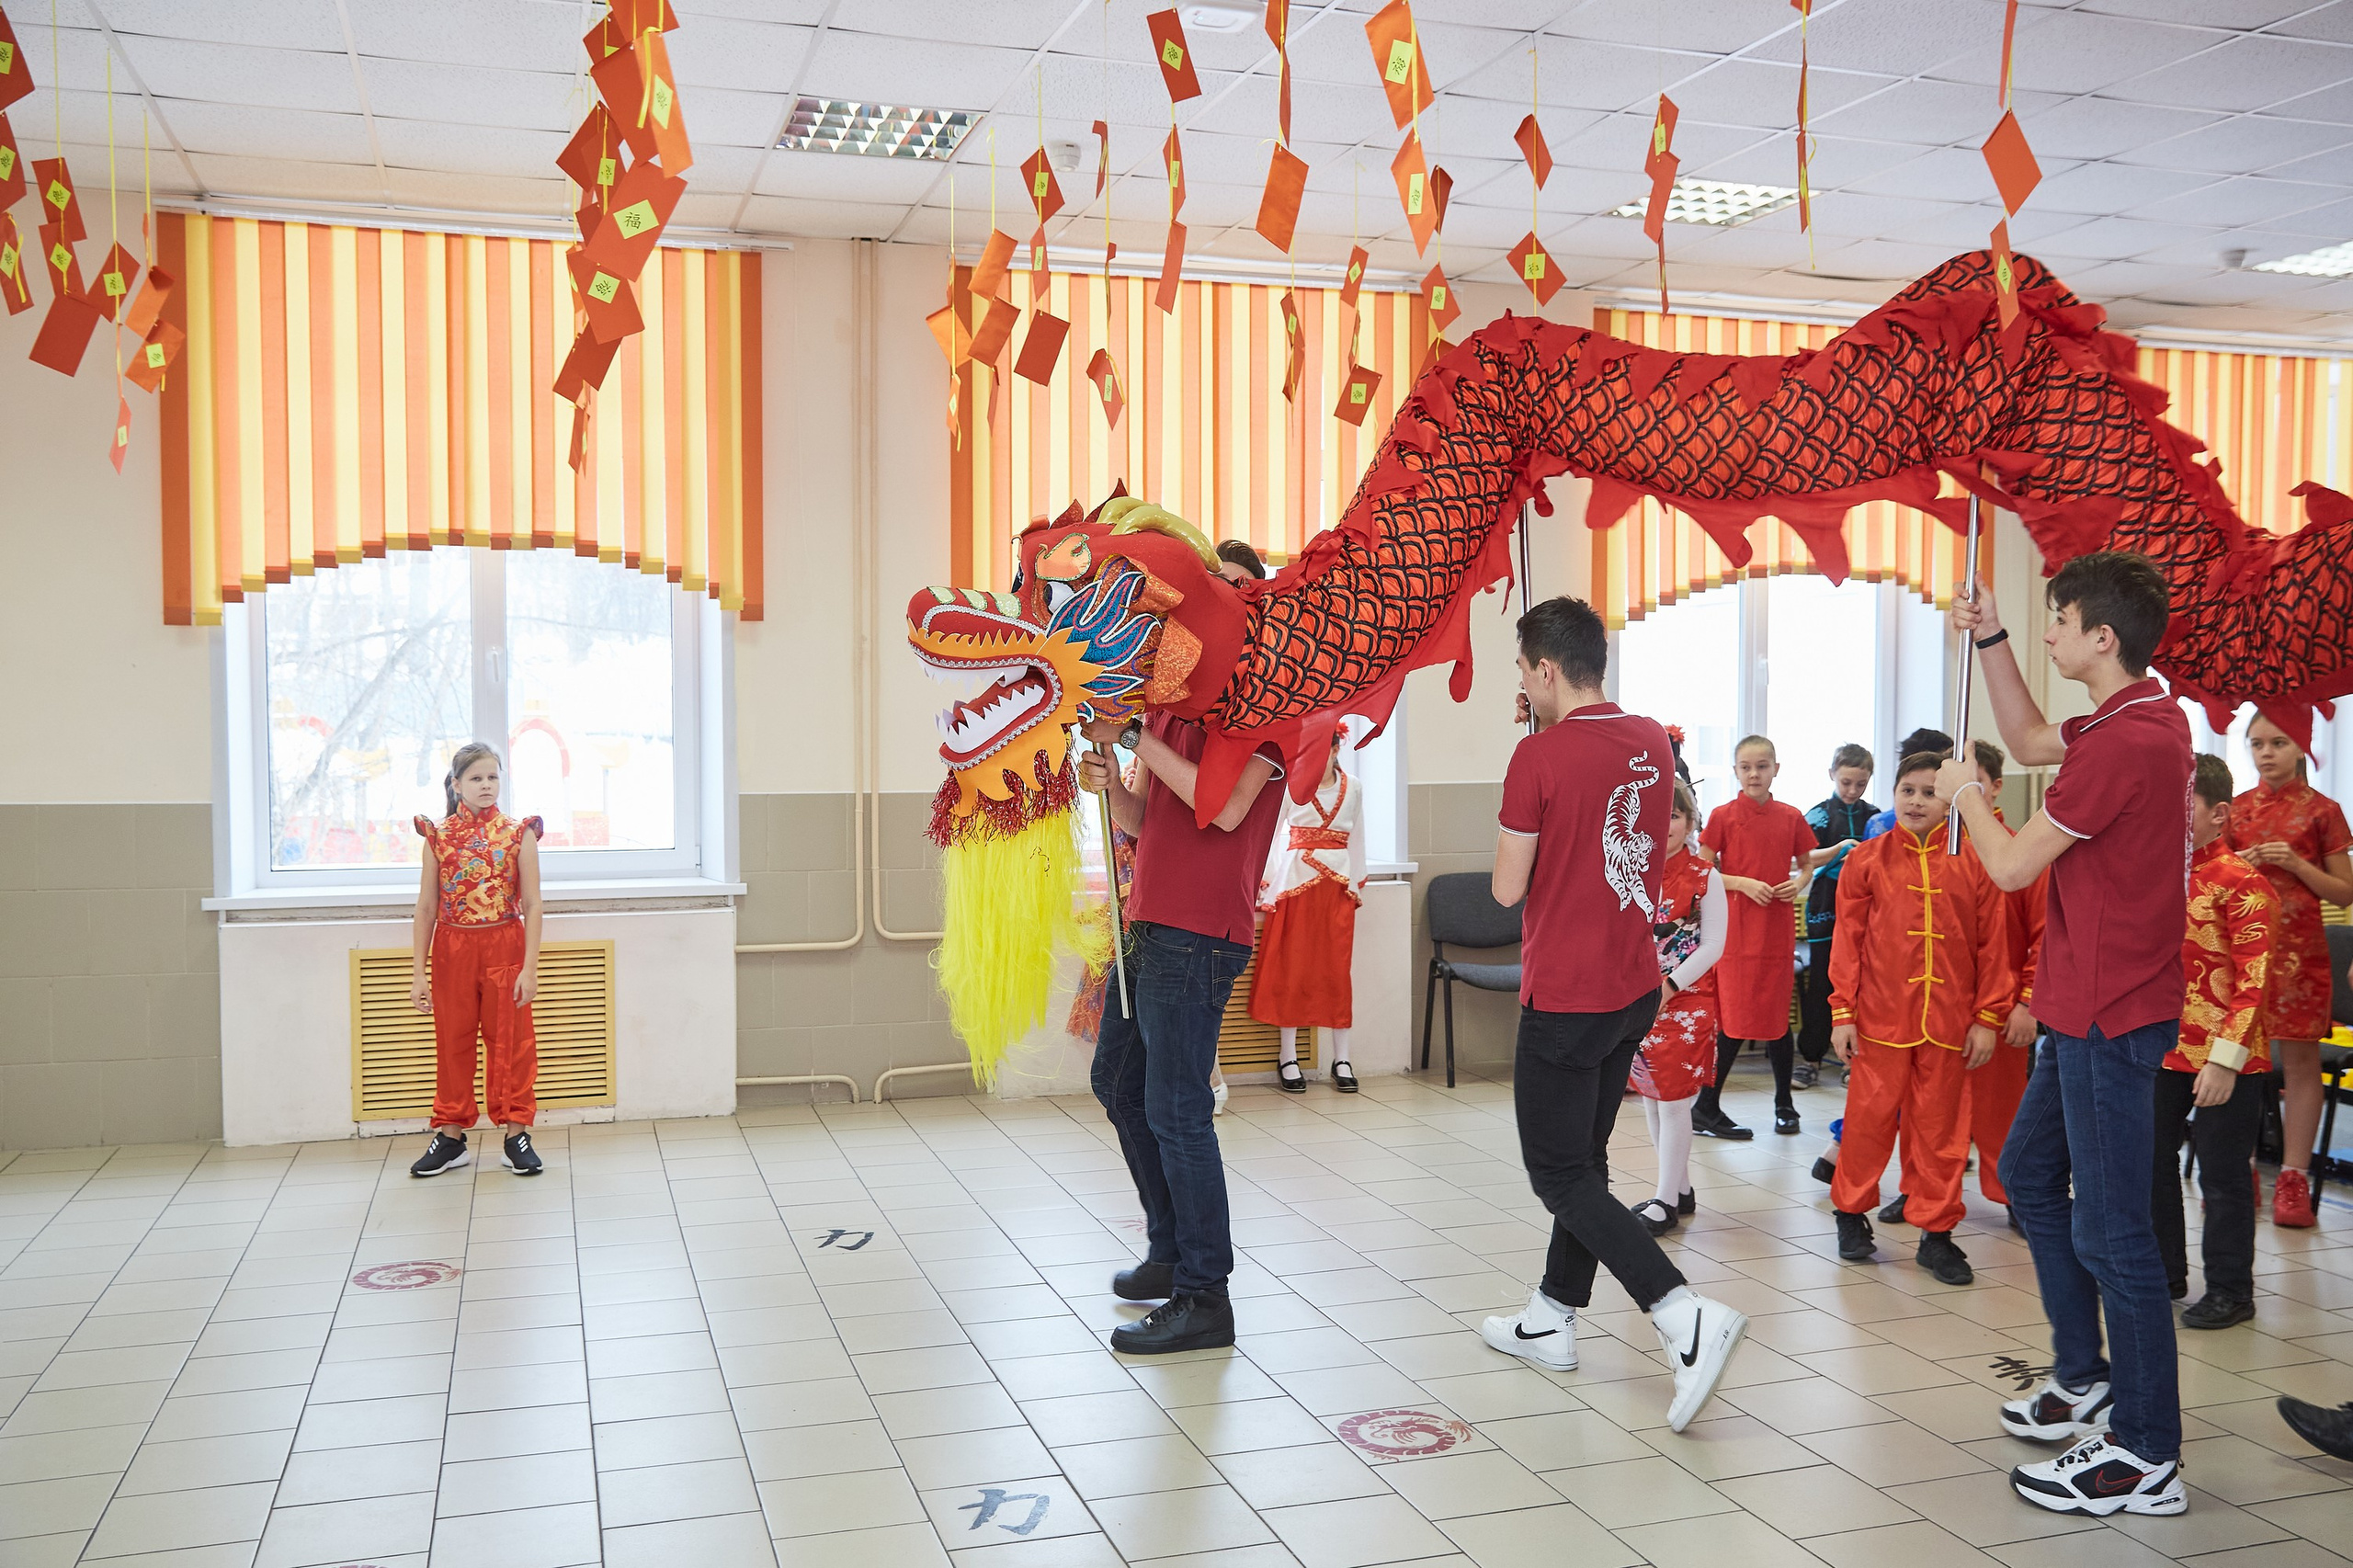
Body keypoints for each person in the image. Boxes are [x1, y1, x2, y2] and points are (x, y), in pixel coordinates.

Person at [1938, 550, 2192, 1517]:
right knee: (2033, 1173)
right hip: (2079, 1003)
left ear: (2102, 636)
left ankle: (2144, 1451)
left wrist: (1966, 791)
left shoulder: (2129, 744)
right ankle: (2085, 1371)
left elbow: (2005, 867)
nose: (2049, 633)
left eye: (2056, 619)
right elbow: (2034, 733)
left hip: (2107, 1013)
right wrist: (1993, 635)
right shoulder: (2134, 716)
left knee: (2114, 1229)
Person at [1480, 596, 1748, 1433]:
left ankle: (1679, 1313)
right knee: (1585, 1162)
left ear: (1548, 670)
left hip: (1564, 994)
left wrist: (1528, 763)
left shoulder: (1537, 758)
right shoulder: (1650, 740)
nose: (1520, 682)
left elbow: (1504, 889)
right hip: (1635, 987)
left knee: (1557, 1173)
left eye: (1524, 669)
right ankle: (1551, 1316)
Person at [1077, 678, 1286, 1354]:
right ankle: (1170, 1250)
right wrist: (1112, 780)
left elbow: (1222, 809)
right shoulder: (1172, 705)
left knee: (1178, 1110)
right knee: (1116, 1082)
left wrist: (1136, 737)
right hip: (1149, 922)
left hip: (1200, 934)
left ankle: (1204, 1296)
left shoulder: (1270, 704)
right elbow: (1145, 821)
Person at [1825, 751, 2010, 1286]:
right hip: (1880, 1022)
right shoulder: (1867, 861)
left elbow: (1992, 945)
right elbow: (1848, 943)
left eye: (1930, 792)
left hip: (1950, 1025)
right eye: (1908, 790)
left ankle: (1936, 1233)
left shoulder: (1976, 862)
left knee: (1942, 1132)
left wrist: (1988, 1017)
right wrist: (1843, 1012)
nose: (1916, 801)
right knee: (1867, 1123)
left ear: (1954, 799)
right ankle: (1851, 1213)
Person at [2154, 754, 2276, 1330]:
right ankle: (2163, 1270)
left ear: (2218, 814)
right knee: (2150, 1162)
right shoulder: (2156, 874)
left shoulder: (2243, 883)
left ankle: (2231, 1288)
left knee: (2223, 1176)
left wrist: (2225, 1062)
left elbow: (2255, 981)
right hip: (2161, 1047)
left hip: (2232, 1057)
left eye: (2181, 805)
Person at [2225, 712, 2353, 1230]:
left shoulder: (2325, 812)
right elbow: (2212, 885)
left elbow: (2345, 893)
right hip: (2242, 954)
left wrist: (2299, 865)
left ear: (2301, 746)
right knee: (2239, 1059)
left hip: (2302, 956)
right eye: (2257, 744)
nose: (2266, 753)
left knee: (2300, 1065)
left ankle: (2295, 1176)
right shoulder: (2232, 812)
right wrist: (2244, 866)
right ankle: (2242, 1168)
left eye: (2278, 742)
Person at [407, 743, 546, 1179]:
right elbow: (426, 908)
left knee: (512, 1041)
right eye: (476, 778)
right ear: (456, 785)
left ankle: (515, 1133)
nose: (486, 786)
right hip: (453, 948)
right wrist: (418, 975)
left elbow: (534, 904)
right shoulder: (438, 836)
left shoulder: (518, 832)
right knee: (453, 1041)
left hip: (505, 943)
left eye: (492, 777)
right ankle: (450, 1137)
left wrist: (530, 966)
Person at [1692, 736, 1814, 1139]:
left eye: (1762, 766)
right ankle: (1706, 1105)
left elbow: (1806, 867)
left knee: (1777, 1018)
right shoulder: (1723, 816)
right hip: (1735, 932)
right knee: (1734, 1020)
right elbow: (1701, 873)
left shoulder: (1792, 816)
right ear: (1735, 772)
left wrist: (1798, 884)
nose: (1754, 773)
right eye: (1746, 767)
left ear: (1776, 769)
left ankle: (1785, 1105)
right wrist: (1742, 883)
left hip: (1777, 931)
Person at [1628, 778, 1728, 1236]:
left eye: (1673, 815)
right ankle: (1679, 1189)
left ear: (1690, 821)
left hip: (1685, 1002)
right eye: (1655, 815)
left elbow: (1713, 946)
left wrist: (1669, 985)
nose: (1664, 825)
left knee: (1672, 1102)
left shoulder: (1707, 876)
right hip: (1634, 1001)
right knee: (1652, 1095)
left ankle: (1665, 1201)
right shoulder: (1628, 871)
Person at [1252, 725, 1366, 1092]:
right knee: (1293, 969)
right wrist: (1264, 879)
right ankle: (1288, 1056)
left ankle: (1342, 1057)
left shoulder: (1356, 788)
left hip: (1335, 888)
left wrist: (1356, 881)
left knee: (1336, 972)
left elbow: (1359, 836)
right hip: (1295, 884)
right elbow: (1269, 831)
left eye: (1327, 748)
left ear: (1337, 748)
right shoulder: (1291, 785)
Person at [1967, 740, 2045, 1233]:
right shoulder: (1932, 852)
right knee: (1933, 1107)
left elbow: (2044, 934)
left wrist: (2027, 1003)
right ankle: (1926, 1189)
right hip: (1935, 1002)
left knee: (2002, 1109)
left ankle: (2013, 1193)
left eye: (1970, 784)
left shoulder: (2024, 854)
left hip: (1999, 1006)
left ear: (1996, 787)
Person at [1797, 744, 1878, 1088]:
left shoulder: (1875, 816)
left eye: (1860, 784)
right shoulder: (1817, 815)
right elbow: (1801, 858)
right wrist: (1837, 853)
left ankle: (1855, 1059)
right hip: (1824, 911)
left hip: (1867, 915)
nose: (1852, 790)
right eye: (1846, 782)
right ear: (1832, 774)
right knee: (1821, 985)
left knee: (1862, 987)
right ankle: (1811, 1058)